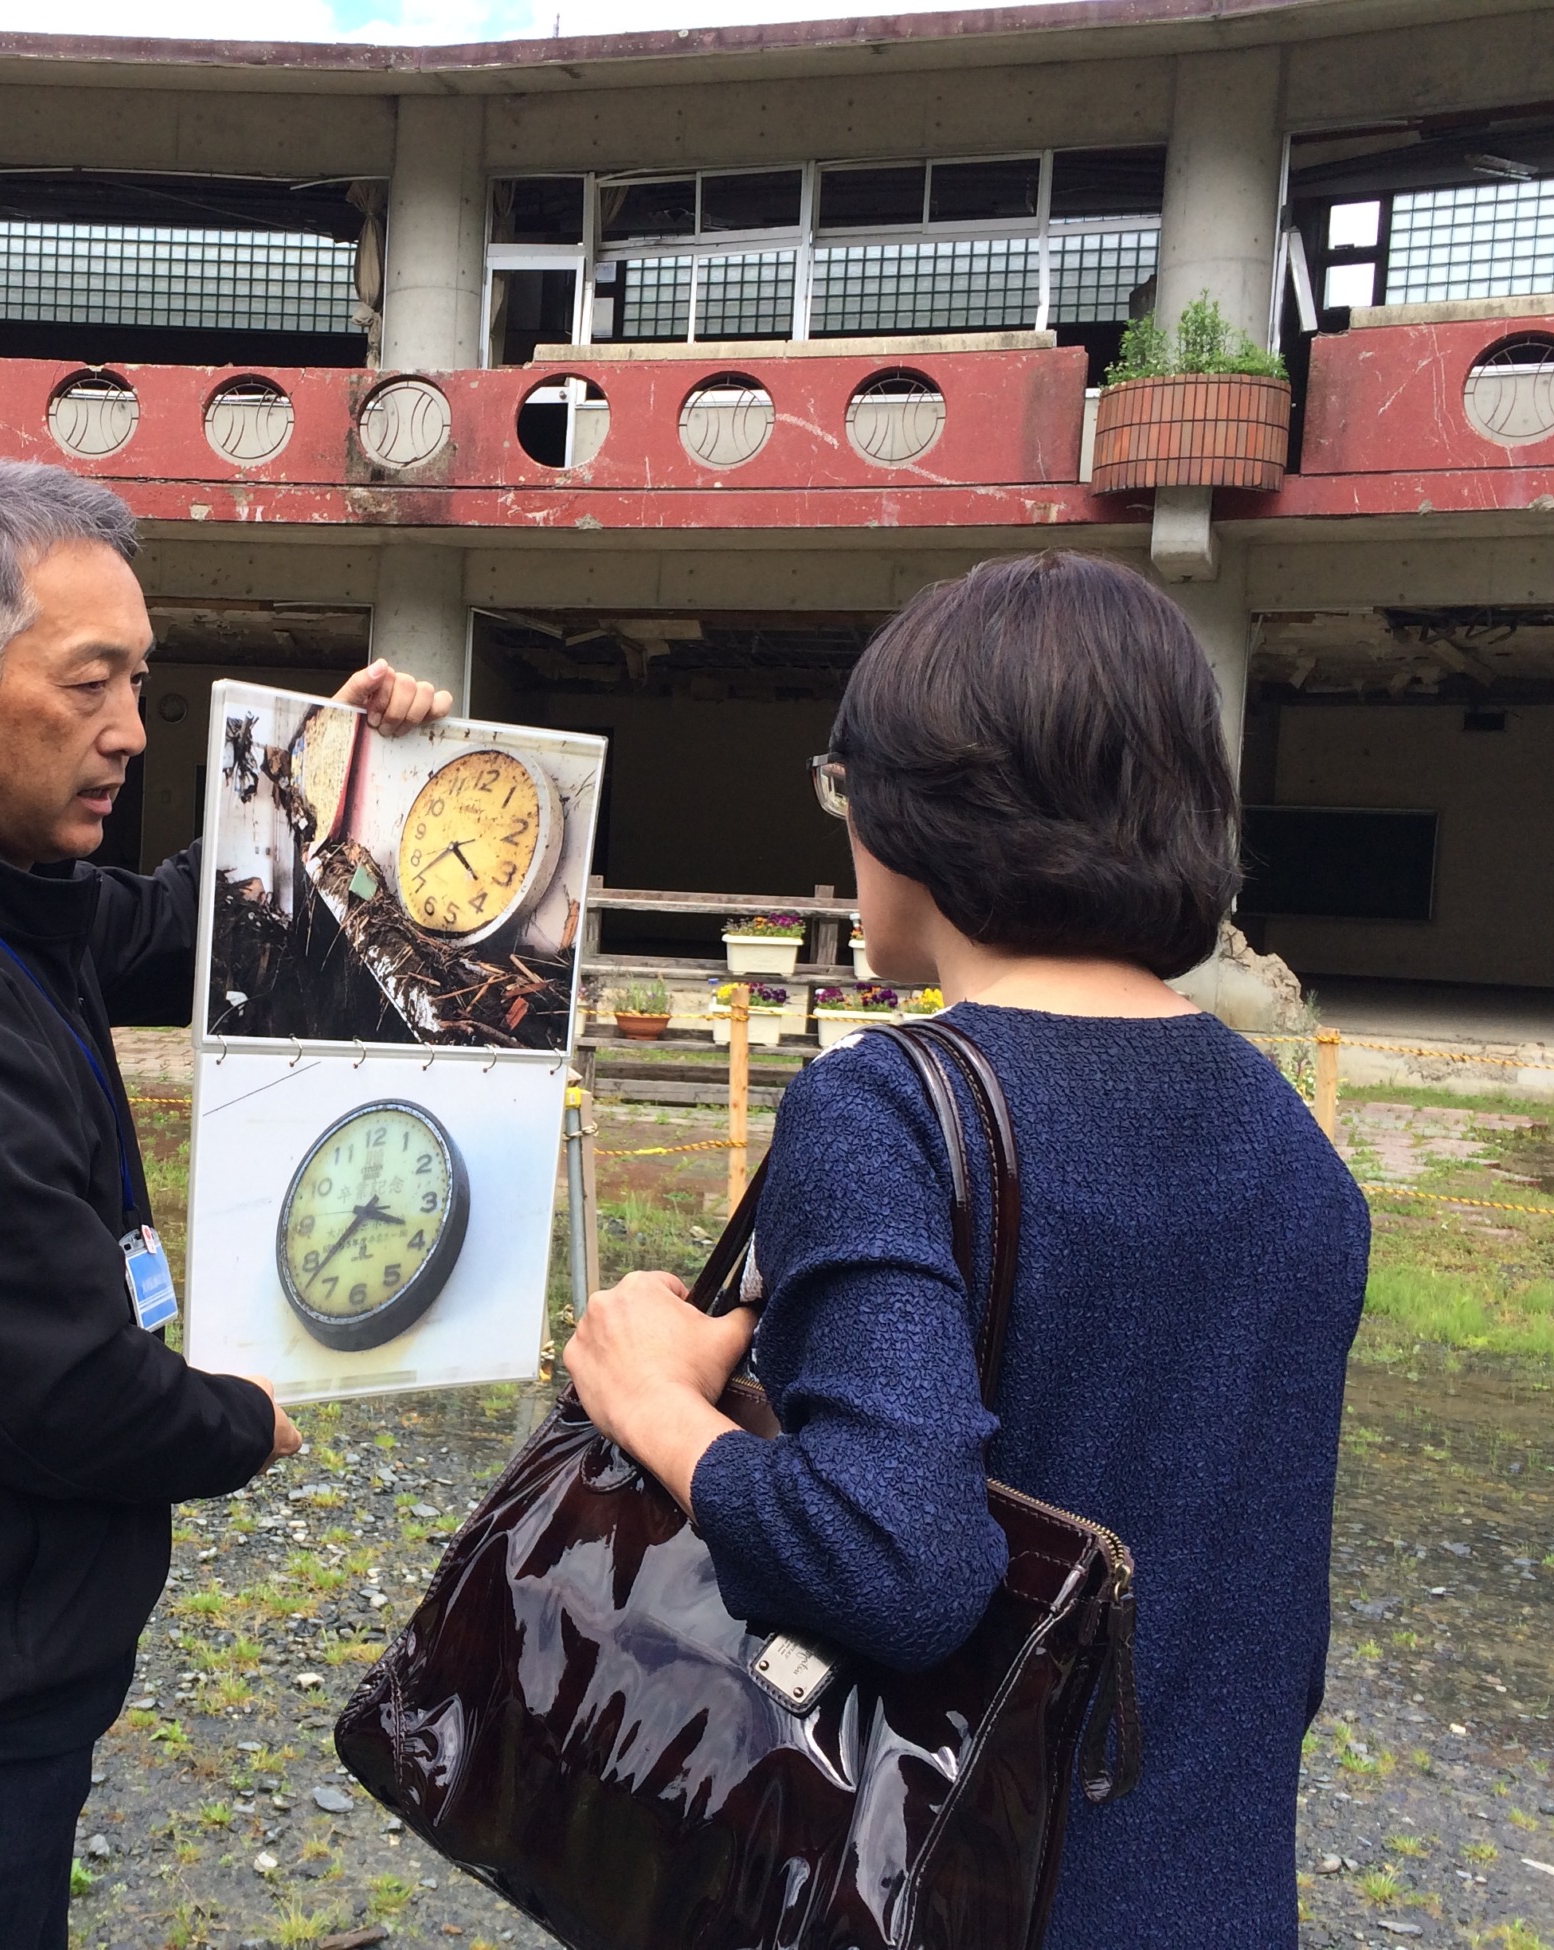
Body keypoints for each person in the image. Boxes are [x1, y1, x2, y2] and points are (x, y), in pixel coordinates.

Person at [564, 551, 1368, 1949]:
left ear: (916, 811)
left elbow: (901, 1560)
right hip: (1222, 1898)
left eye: (845, 786)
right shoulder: (1294, 1147)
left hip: (956, 1898)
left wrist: (655, 1403)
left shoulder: (885, 1106)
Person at [0, 457, 450, 1950]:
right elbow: (69, 1396)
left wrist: (333, 779)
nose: (130, 729)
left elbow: (180, 927)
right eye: (90, 682)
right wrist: (249, 1415)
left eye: (141, 677)